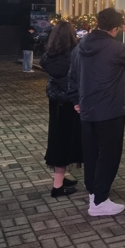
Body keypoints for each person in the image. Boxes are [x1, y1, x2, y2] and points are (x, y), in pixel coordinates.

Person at [68, 8, 125, 217]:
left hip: (87, 110)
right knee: (109, 155)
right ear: (115, 29)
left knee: (91, 154)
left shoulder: (81, 46)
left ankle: (94, 192)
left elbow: (72, 75)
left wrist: (75, 100)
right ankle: (99, 201)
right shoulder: (115, 48)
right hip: (110, 110)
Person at [40, 21, 83, 198]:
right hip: (72, 102)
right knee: (67, 142)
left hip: (56, 100)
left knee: (58, 139)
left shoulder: (49, 55)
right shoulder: (75, 54)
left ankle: (60, 178)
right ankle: (57, 186)